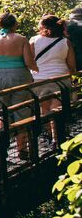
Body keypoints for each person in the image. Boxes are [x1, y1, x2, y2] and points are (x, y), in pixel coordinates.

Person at [0, 13, 37, 158]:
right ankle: (21, 149)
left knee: (0, 113)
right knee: (21, 111)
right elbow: (29, 62)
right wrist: (36, 70)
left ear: (0, 24)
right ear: (15, 24)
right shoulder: (22, 39)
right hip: (19, 76)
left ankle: (1, 146)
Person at [30, 14, 77, 142]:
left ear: (42, 26)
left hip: (39, 79)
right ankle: (57, 138)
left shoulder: (34, 40)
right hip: (60, 79)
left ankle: (50, 136)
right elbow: (72, 65)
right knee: (57, 108)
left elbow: (29, 61)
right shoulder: (65, 42)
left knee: (44, 109)